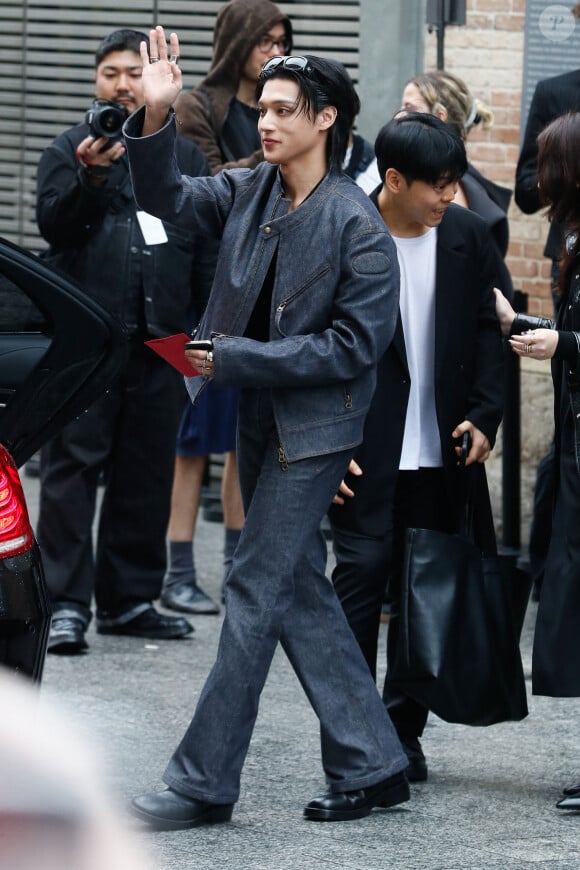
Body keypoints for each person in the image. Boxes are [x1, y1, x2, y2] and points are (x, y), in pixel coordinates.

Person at [123, 27, 409, 828]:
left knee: (253, 585)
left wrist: (241, 356)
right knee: (296, 588)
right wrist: (157, 113)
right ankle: (374, 759)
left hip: (315, 431)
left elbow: (356, 348)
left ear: (326, 121)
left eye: (285, 110)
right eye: (265, 108)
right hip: (256, 411)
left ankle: (204, 781)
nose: (266, 122)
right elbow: (168, 203)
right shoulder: (249, 187)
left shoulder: (358, 225)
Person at [329, 112, 504, 783]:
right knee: (357, 591)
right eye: (438, 186)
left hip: (442, 453)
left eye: (455, 184)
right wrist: (324, 442)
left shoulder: (466, 236)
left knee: (421, 598)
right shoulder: (347, 233)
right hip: (363, 453)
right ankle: (354, 735)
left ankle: (403, 731)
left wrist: (487, 416)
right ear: (394, 179)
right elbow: (316, 346)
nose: (448, 198)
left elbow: (492, 333)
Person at [35, 29, 214, 653]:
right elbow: (54, 228)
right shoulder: (68, 149)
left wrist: (207, 332)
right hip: (85, 344)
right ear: (97, 80)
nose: (121, 83)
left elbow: (206, 252)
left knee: (146, 472)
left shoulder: (186, 160)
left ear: (153, 79)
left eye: (133, 72)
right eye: (110, 71)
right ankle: (62, 605)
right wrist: (89, 178)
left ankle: (130, 599)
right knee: (70, 472)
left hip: (164, 340)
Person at [161, 0, 294, 613]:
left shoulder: (284, 110)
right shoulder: (201, 106)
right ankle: (178, 568)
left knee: (248, 437)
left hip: (266, 291)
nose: (272, 49)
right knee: (193, 438)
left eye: (281, 40)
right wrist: (281, 153)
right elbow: (204, 186)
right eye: (262, 39)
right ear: (236, 40)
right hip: (205, 289)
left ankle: (238, 564)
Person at [494, 111, 580, 812]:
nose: (538, 175)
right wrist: (525, 326)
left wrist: (565, 345)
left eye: (549, 161)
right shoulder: (575, 235)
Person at [357, 70, 513, 299]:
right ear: (393, 180)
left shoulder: (459, 220)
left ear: (439, 116)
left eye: (410, 109)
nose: (400, 116)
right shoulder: (355, 228)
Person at [514, 59, 580, 600]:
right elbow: (526, 191)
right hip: (571, 260)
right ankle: (551, 571)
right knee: (568, 426)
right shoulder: (557, 92)